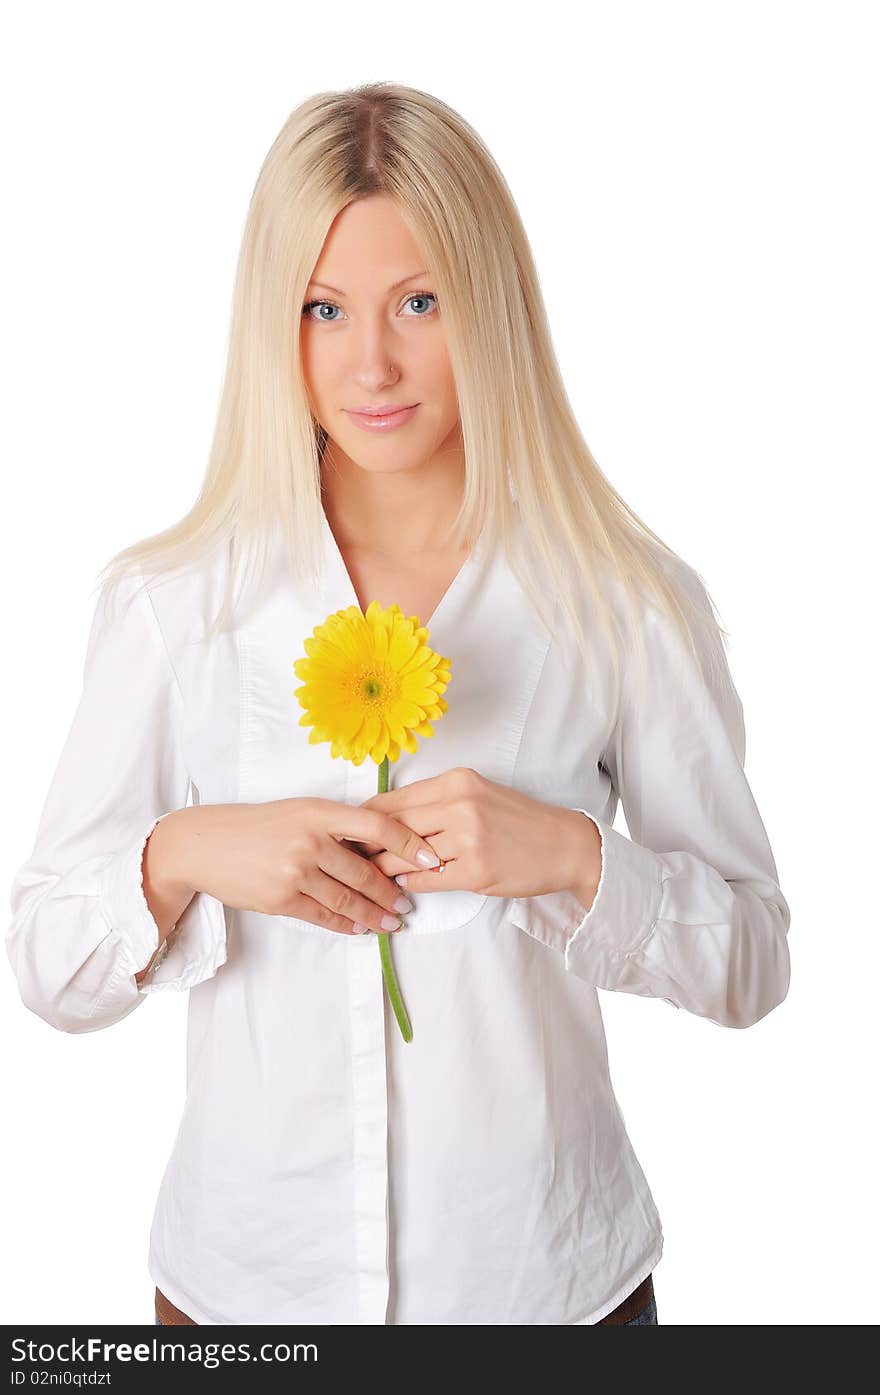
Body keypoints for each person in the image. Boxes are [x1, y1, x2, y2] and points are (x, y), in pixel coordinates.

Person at [5, 81, 791, 1327]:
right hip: (240, 1302)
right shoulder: (173, 604)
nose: (369, 363)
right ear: (276, 324)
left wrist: (577, 860)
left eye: (418, 303)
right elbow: (49, 968)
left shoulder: (624, 602)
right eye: (322, 310)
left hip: (547, 1292)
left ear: (493, 306)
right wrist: (184, 852)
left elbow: (751, 960)